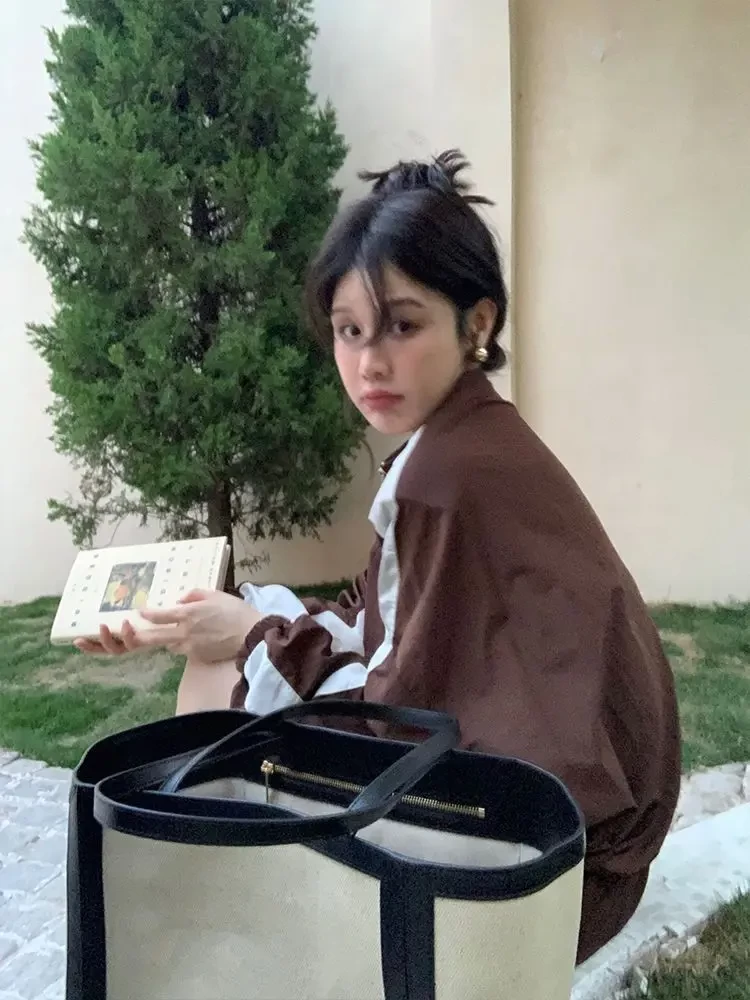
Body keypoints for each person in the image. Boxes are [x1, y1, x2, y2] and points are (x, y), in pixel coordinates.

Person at [75, 149, 681, 964]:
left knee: (223, 684)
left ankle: (220, 923)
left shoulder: (441, 479)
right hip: (587, 843)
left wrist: (249, 638)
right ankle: (227, 911)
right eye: (349, 331)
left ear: (477, 324)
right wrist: (238, 619)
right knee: (233, 649)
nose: (369, 363)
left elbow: (398, 715)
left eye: (403, 325)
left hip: (545, 881)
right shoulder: (472, 439)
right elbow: (386, 626)